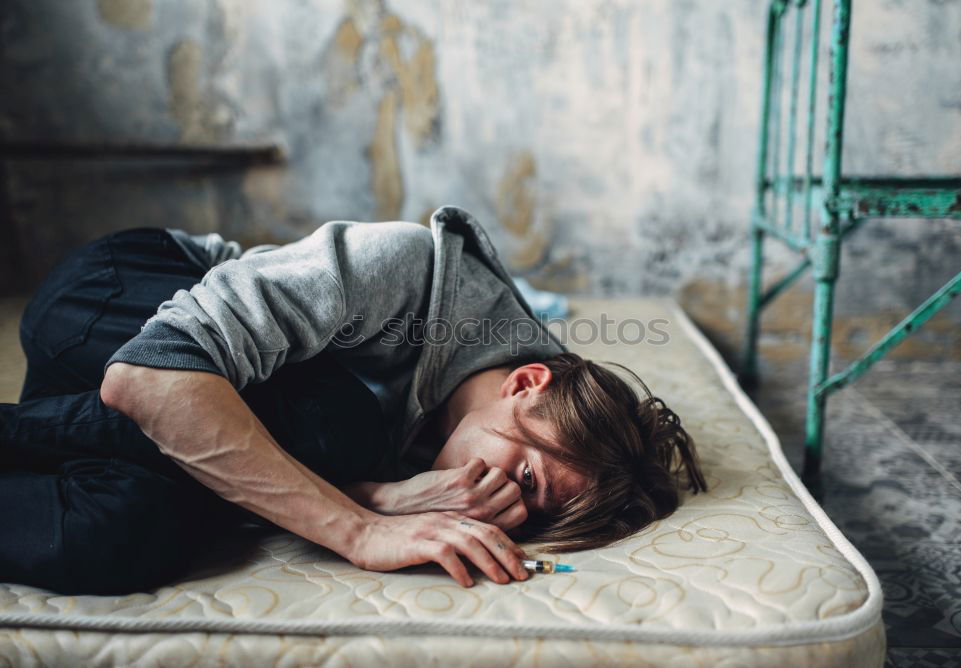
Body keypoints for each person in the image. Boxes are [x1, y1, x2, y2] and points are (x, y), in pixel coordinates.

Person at [0, 205, 706, 595]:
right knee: (337, 422)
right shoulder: (403, 273)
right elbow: (150, 376)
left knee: (124, 533)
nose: (505, 505)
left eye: (531, 513)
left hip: (102, 406)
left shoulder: (481, 432)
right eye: (525, 478)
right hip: (111, 298)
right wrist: (359, 526)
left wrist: (377, 493)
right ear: (525, 384)